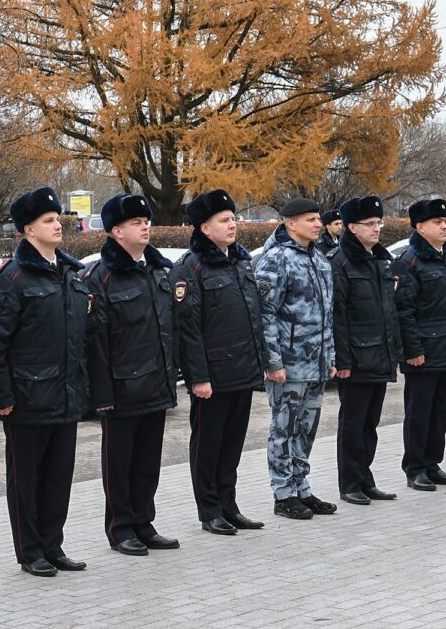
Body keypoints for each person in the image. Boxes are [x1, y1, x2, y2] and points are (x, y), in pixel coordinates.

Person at [0, 187, 90, 576]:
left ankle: (53, 544)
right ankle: (30, 550)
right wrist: (3, 396)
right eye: (47, 220)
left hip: (65, 394)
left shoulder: (71, 273)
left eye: (57, 218)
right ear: (27, 229)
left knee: (59, 476)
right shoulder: (12, 278)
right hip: (27, 397)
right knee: (26, 479)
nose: (57, 225)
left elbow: (81, 337)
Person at [82, 193, 179, 556]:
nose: (145, 227)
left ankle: (143, 521)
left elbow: (168, 328)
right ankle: (120, 527)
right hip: (122, 388)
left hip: (155, 382)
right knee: (118, 464)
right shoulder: (100, 277)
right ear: (116, 231)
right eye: (137, 223)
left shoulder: (158, 270)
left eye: (146, 221)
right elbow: (96, 341)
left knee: (147, 462)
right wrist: (102, 395)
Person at [171, 189, 267, 535]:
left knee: (232, 445)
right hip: (212, 375)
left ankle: (229, 504)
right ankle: (209, 509)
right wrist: (198, 377)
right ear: (204, 227)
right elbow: (188, 328)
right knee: (208, 445)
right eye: (224, 220)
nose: (233, 225)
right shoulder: (190, 267)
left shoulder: (240, 261)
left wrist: (260, 363)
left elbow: (253, 318)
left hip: (242, 369)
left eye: (233, 218)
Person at [254, 197, 337, 520]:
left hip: (315, 363)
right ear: (290, 223)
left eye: (318, 219)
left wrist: (329, 356)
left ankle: (302, 487)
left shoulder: (319, 259)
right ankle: (283, 493)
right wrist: (273, 362)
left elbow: (326, 315)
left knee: (306, 429)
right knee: (283, 430)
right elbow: (266, 316)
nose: (318, 224)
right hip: (288, 365)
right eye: (310, 219)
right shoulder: (276, 260)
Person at [393, 198, 446, 491]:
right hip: (423, 353)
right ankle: (414, 468)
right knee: (419, 412)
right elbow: (404, 311)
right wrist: (412, 351)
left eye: (445, 221)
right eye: (437, 222)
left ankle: (432, 463)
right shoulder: (409, 261)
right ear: (420, 226)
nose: (443, 226)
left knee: (440, 412)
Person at [330, 196, 402, 504]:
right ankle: (349, 483)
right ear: (352, 227)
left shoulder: (379, 260)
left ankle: (365, 477)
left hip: (379, 354)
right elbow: (338, 315)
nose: (377, 229)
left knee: (370, 424)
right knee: (353, 423)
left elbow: (388, 312)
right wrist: (342, 359)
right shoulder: (340, 261)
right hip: (356, 358)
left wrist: (394, 351)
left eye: (378, 223)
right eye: (370, 224)